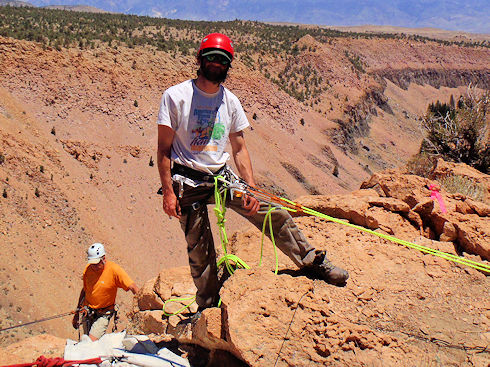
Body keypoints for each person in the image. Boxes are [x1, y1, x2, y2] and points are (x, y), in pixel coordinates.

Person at [156, 33, 348, 311]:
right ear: (199, 59)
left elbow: (239, 148)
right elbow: (163, 150)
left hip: (221, 177)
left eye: (222, 60)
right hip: (188, 180)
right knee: (200, 251)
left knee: (273, 213)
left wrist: (250, 187)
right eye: (211, 58)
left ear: (228, 65)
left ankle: (311, 261)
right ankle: (208, 306)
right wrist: (169, 193)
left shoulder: (230, 101)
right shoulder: (176, 97)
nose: (216, 64)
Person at [72, 243, 139, 340]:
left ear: (103, 258)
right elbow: (85, 290)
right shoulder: (88, 270)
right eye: (92, 263)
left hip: (104, 313)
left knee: (91, 341)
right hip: (88, 311)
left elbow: (132, 286)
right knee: (86, 342)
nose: (94, 266)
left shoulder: (114, 270)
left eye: (96, 263)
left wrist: (142, 304)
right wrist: (77, 313)